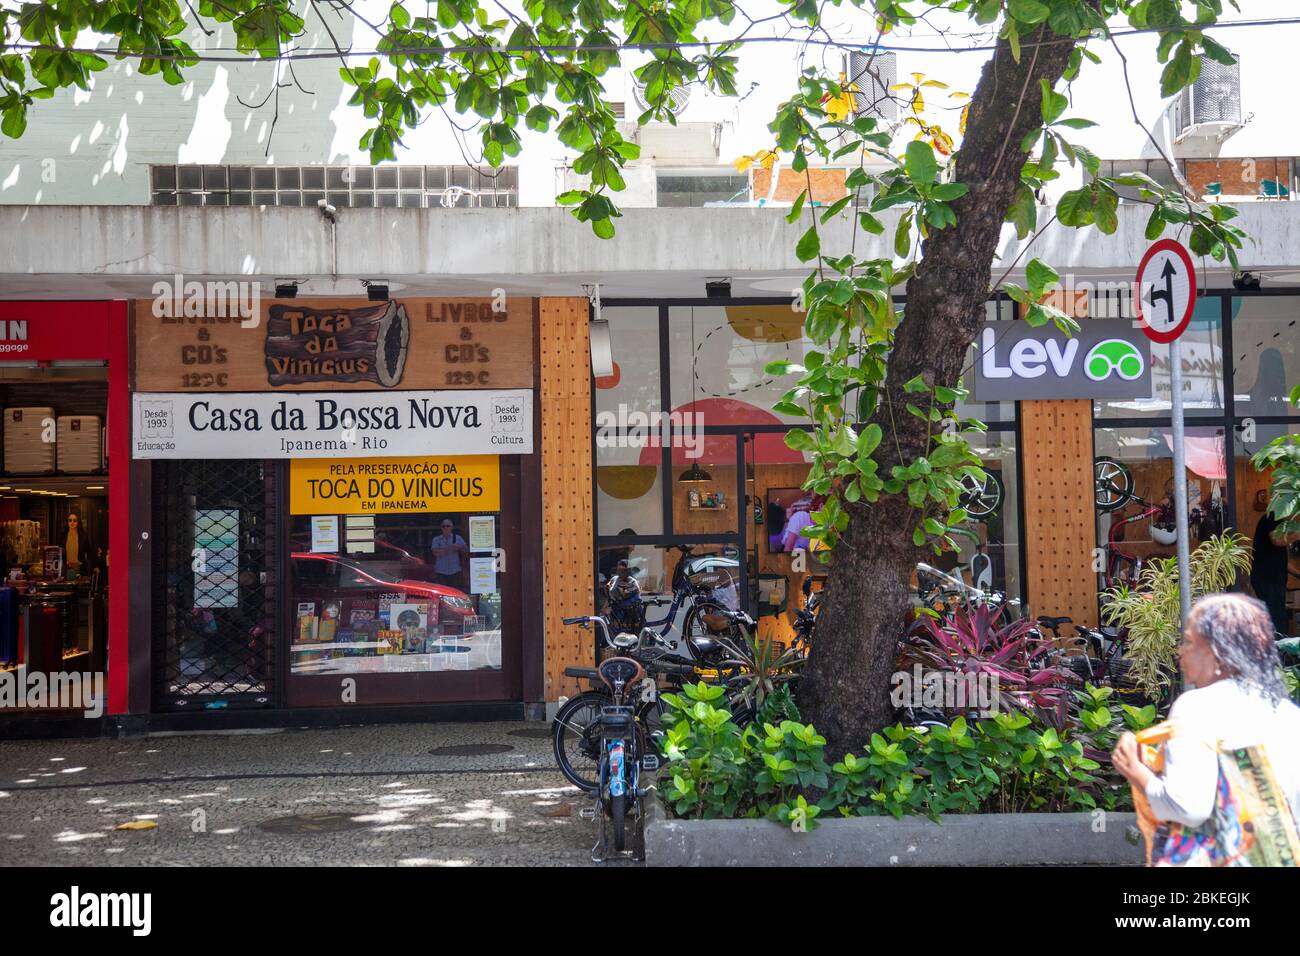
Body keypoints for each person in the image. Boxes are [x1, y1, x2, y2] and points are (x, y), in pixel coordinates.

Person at [1111, 594, 1300, 843]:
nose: (1180, 651)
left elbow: (1187, 808)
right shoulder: (1288, 713)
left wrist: (1134, 771)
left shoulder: (1195, 707)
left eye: (1189, 642)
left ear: (1218, 651)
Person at [1250, 510, 1292, 635]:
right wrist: (1296, 535)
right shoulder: (1273, 517)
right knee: (1277, 619)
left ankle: (1275, 650)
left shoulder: (1276, 520)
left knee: (1275, 617)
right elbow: (1276, 541)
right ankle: (1277, 652)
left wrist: (1297, 574)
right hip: (1269, 579)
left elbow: (1283, 562)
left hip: (1269, 579)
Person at [430, 519, 468, 591]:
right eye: (443, 526)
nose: (445, 528)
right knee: (442, 593)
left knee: (455, 592)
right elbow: (435, 553)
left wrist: (460, 547)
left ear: (452, 527)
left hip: (455, 570)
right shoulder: (436, 539)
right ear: (441, 528)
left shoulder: (458, 538)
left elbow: (466, 550)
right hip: (440, 571)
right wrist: (450, 548)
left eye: (448, 526)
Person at [63, 511, 96, 577]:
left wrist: (92, 566)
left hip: (79, 569)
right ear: (67, 522)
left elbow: (89, 552)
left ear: (78, 522)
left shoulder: (83, 536)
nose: (72, 522)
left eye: (75, 520)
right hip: (65, 569)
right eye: (70, 520)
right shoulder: (63, 536)